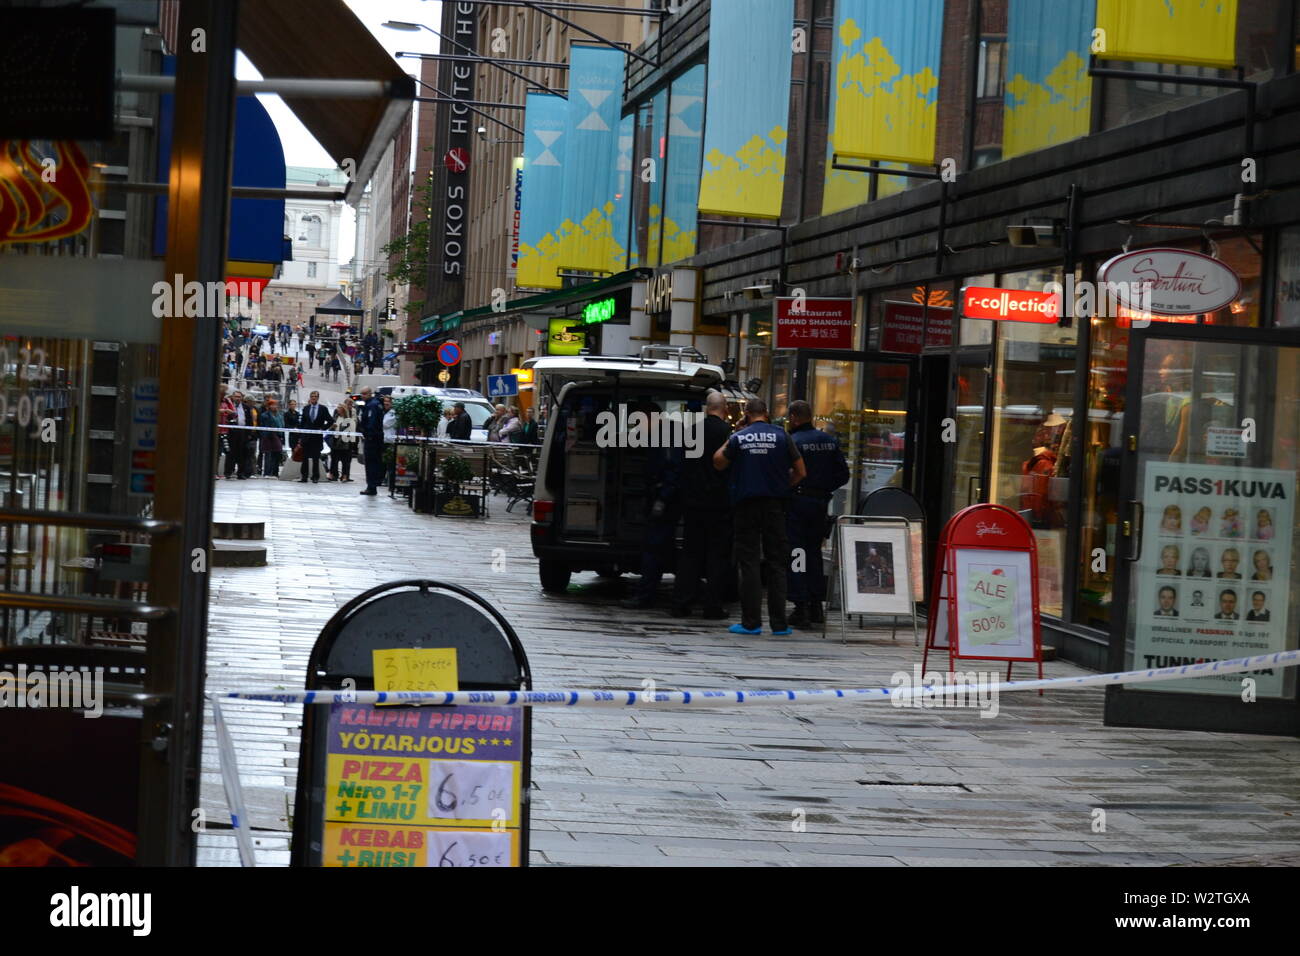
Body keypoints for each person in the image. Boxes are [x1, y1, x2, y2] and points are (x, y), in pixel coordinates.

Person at [713, 398, 806, 636]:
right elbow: (801, 471)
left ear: (746, 414)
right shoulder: (782, 436)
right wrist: (784, 486)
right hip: (775, 505)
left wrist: (735, 433)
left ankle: (751, 622)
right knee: (777, 563)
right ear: (766, 413)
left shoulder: (739, 437)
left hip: (746, 505)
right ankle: (779, 624)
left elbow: (718, 462)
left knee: (749, 563)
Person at [782, 400, 851, 628]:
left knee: (797, 553)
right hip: (820, 504)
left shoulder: (794, 441)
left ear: (793, 417)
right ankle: (815, 606)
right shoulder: (829, 441)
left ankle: (800, 606)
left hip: (798, 502)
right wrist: (823, 489)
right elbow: (843, 475)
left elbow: (787, 473)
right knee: (814, 553)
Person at [670, 391, 734, 620]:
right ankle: (712, 606)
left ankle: (681, 602)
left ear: (707, 408)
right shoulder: (728, 433)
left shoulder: (692, 431)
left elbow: (680, 464)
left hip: (693, 502)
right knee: (717, 556)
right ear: (724, 407)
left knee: (690, 554)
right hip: (719, 503)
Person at [296, 390, 332, 483]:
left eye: (315, 396)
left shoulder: (323, 409)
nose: (313, 398)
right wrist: (300, 436)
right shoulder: (306, 408)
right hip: (306, 437)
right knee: (305, 457)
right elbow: (302, 423)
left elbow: (330, 421)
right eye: (312, 396)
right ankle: (304, 476)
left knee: (316, 457)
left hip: (316, 437)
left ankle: (315, 477)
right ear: (310, 398)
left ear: (318, 398)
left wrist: (322, 428)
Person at [222, 390, 257, 479]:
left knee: (242, 453)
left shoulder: (246, 407)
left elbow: (249, 420)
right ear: (233, 397)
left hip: (243, 432)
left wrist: (249, 433)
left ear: (242, 398)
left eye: (239, 397)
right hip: (231, 432)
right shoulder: (229, 406)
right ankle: (228, 472)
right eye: (236, 396)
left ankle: (241, 473)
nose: (238, 398)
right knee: (231, 453)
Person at [357, 386, 385, 495]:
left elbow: (371, 423)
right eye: (362, 394)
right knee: (373, 463)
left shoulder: (372, 405)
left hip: (372, 439)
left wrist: (367, 433)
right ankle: (372, 485)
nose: (362, 396)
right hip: (375, 438)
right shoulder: (374, 404)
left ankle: (372, 486)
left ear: (370, 393)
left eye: (364, 394)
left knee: (370, 463)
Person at [327, 401, 357, 482]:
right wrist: (332, 427)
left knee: (345, 460)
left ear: (343, 409)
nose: (337, 409)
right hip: (335, 441)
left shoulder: (348, 420)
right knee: (334, 459)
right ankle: (333, 474)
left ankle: (344, 475)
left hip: (344, 442)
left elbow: (349, 431)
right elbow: (330, 429)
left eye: (339, 408)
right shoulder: (336, 417)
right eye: (337, 407)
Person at [258, 397, 285, 477]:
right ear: (269, 406)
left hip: (277, 435)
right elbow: (265, 426)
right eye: (272, 405)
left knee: (277, 453)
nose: (275, 407)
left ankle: (275, 473)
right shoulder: (265, 415)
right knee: (268, 455)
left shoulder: (280, 415)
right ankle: (267, 473)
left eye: (275, 405)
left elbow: (282, 424)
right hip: (268, 436)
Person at [382, 395, 398, 496]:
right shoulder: (384, 412)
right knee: (382, 461)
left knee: (389, 463)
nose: (386, 403)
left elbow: (385, 424)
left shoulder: (393, 414)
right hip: (383, 440)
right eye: (385, 402)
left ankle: (388, 480)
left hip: (390, 441)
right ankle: (383, 478)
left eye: (388, 402)